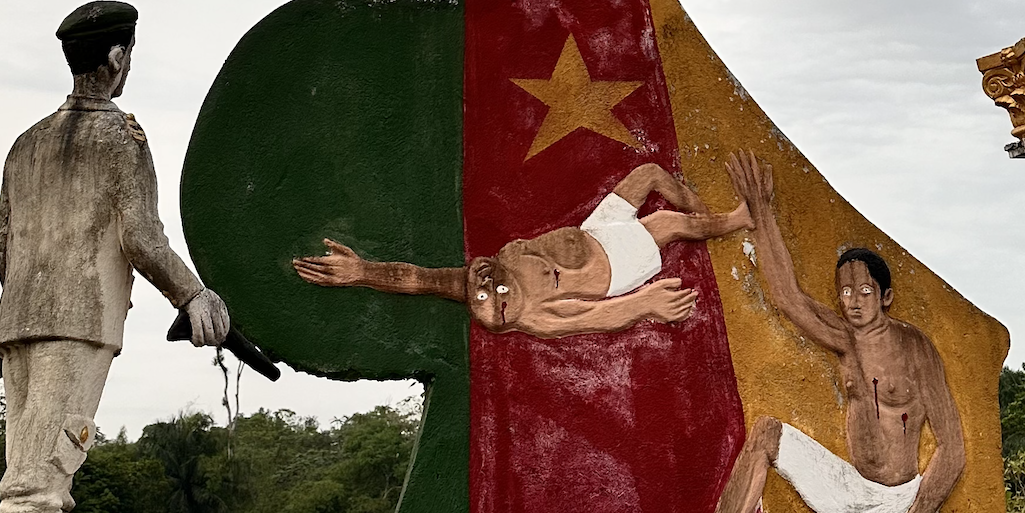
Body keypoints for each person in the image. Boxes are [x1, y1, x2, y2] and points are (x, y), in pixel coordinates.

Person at [0, 0, 231, 513]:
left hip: (19, 320)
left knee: (46, 456)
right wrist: (192, 293)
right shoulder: (121, 140)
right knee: (43, 468)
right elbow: (141, 236)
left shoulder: (25, 142)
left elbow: (3, 245)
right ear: (115, 58)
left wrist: (23, 305)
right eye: (130, 53)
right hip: (78, 319)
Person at [639, 149, 965, 513]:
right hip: (850, 492)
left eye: (864, 291)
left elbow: (954, 448)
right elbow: (788, 297)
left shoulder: (916, 348)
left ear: (885, 297)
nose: (852, 300)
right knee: (767, 433)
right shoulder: (845, 340)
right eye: (845, 291)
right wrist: (762, 210)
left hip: (901, 502)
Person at [293, 162, 749, 337]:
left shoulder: (486, 275)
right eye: (494, 304)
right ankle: (733, 221)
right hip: (612, 265)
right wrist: (644, 303)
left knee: (650, 174)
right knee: (667, 224)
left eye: (486, 290)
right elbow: (595, 317)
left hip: (595, 230)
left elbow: (418, 278)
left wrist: (365, 269)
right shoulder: (535, 317)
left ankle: (705, 216)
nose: (490, 292)